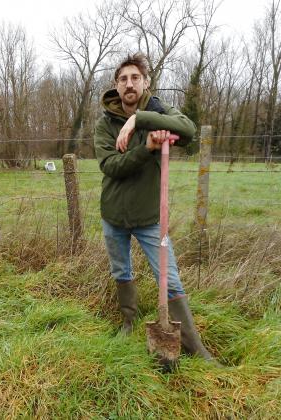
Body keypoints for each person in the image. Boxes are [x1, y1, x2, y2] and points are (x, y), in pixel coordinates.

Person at [93, 53, 217, 363]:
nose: (129, 84)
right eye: (123, 79)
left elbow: (187, 129)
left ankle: (192, 345)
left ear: (145, 82)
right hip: (114, 214)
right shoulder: (105, 124)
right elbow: (112, 166)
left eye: (135, 78)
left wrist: (140, 119)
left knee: (169, 277)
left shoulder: (158, 110)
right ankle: (128, 322)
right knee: (121, 270)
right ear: (116, 86)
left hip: (150, 217)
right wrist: (147, 148)